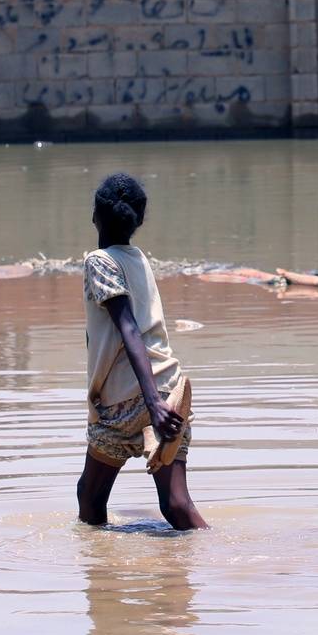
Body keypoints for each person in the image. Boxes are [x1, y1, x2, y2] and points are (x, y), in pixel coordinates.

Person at [76, 173, 208, 531]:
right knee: (176, 505)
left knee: (90, 496)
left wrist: (150, 406)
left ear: (95, 216)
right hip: (169, 389)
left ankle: (101, 580)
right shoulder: (138, 259)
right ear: (139, 220)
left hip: (124, 400)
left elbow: (128, 329)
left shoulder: (98, 261)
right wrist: (159, 404)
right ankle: (217, 559)